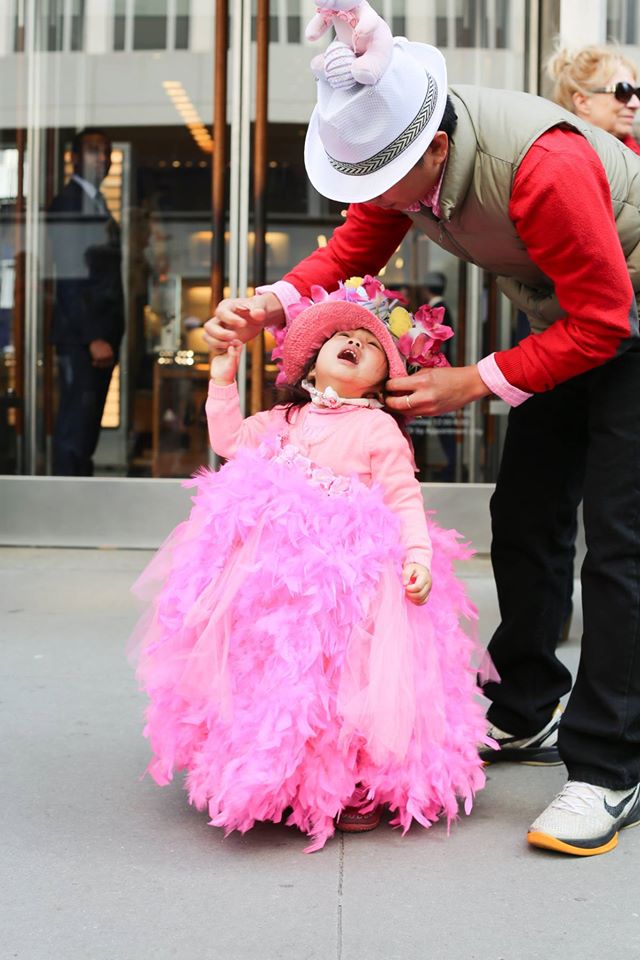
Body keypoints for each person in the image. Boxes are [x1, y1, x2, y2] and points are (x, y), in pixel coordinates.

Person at [205, 27, 640, 856]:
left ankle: (610, 766)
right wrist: (269, 304)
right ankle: (526, 711)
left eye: (381, 185)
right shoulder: (399, 158)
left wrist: (473, 380)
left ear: (436, 150)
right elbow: (352, 250)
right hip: (569, 320)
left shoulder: (542, 167)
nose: (372, 199)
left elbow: (606, 320)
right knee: (526, 517)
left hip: (621, 316)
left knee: (620, 542)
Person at [130, 280, 489, 852]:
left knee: (344, 680)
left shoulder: (376, 429)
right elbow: (230, 442)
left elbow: (403, 498)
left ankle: (352, 781)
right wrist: (222, 379)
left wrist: (418, 557)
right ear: (312, 360)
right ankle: (275, 768)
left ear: (384, 379)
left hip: (347, 585)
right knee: (278, 677)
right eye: (341, 337)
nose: (353, 343)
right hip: (274, 582)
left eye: (368, 345)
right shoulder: (283, 418)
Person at [49, 128, 125, 475]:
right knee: (74, 433)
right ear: (74, 158)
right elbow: (69, 275)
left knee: (86, 432)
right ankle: (65, 502)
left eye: (107, 151)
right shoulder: (69, 202)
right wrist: (93, 336)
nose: (103, 158)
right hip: (83, 339)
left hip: (98, 338)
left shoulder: (94, 200)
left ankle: (77, 498)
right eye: (94, 150)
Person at [547, 44, 640, 155]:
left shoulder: (632, 153)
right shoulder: (558, 156)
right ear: (582, 102)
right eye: (624, 91)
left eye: (636, 93)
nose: (636, 104)